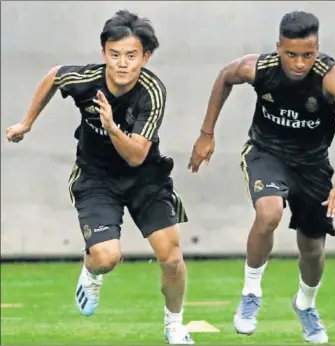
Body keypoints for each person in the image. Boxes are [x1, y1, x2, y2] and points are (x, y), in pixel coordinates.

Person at [6, 9, 194, 345]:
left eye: (131, 56)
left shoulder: (152, 93)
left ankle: (174, 325)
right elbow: (53, 76)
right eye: (115, 54)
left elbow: (136, 154)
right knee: (107, 258)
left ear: (145, 57)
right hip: (96, 178)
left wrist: (110, 127)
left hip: (145, 179)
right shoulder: (86, 80)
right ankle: (92, 272)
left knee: (172, 257)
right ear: (104, 53)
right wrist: (26, 123)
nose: (122, 64)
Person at [188, 10, 335, 344]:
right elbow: (225, 76)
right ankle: (251, 293)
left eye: (308, 55)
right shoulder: (259, 68)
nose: (299, 63)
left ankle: (306, 304)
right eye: (291, 54)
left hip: (313, 166)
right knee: (269, 212)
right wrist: (206, 133)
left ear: (318, 49)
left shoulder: (331, 77)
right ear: (278, 48)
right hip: (266, 153)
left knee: (312, 248)